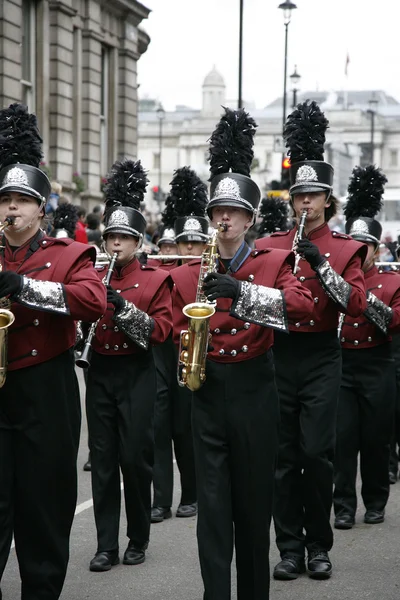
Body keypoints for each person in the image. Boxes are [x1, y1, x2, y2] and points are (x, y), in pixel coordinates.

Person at [171, 107, 315, 600]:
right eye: (216, 212)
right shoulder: (192, 269)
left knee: (253, 509)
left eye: (232, 212)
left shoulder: (274, 260)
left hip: (256, 388)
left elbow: (299, 307)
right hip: (208, 390)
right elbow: (174, 327)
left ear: (251, 219)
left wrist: (240, 293)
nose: (223, 219)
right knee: (212, 512)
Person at [256, 100, 367, 580]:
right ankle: (289, 547)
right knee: (281, 457)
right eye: (297, 195)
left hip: (322, 355)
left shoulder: (345, 249)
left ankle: (319, 545)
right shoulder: (270, 245)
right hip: (279, 353)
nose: (303, 203)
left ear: (327, 200)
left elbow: (356, 304)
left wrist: (320, 265)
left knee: (316, 455)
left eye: (312, 195)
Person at [0, 103, 106, 599]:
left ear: (43, 208)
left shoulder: (68, 254)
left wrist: (22, 287)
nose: (11, 209)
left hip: (46, 390)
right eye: (5, 200)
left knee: (43, 509)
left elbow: (92, 301)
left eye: (23, 200)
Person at [85, 159, 172, 572]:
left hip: (137, 373)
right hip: (100, 371)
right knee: (102, 461)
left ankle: (138, 536)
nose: (115, 244)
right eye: (111, 237)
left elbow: (161, 331)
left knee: (135, 460)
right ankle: (105, 544)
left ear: (138, 241)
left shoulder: (156, 280)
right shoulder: (93, 276)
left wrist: (124, 310)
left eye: (123, 237)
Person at [333, 165, 400, 528]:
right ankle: (343, 505)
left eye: (366, 247)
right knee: (342, 439)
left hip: (377, 363)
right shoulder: (336, 277)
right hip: (342, 364)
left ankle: (375, 501)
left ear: (376, 249)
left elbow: (394, 320)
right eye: (354, 246)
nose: (360, 252)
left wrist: (359, 298)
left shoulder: (391, 281)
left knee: (375, 438)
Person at [151, 167, 209, 524]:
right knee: (158, 426)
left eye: (196, 242)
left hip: (193, 350)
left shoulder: (210, 272)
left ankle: (192, 493)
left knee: (186, 430)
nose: (189, 247)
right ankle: (160, 499)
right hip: (161, 351)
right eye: (185, 242)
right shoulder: (161, 272)